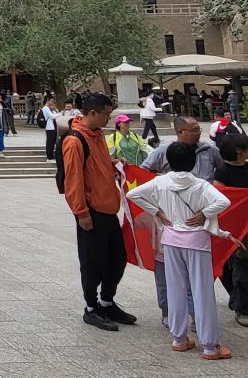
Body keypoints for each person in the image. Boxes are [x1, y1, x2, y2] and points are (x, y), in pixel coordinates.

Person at [128, 142, 241, 359]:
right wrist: (205, 213)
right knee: (202, 291)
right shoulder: (200, 185)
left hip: (171, 240)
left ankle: (179, 338)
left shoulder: (160, 182)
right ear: (193, 162)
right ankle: (209, 345)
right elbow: (223, 201)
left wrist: (156, 211)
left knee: (175, 288)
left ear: (169, 162)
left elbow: (134, 194)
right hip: (196, 241)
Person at [61, 92, 136, 332]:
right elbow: (73, 179)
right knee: (93, 262)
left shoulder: (98, 136)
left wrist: (112, 164)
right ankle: (91, 308)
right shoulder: (75, 141)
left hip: (108, 207)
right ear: (92, 112)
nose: (109, 119)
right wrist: (81, 212)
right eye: (106, 114)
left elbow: (97, 164)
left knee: (117, 259)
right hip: (92, 210)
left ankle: (107, 301)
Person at [214, 133, 248, 326]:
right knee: (242, 267)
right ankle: (242, 308)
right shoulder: (222, 173)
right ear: (238, 151)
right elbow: (222, 201)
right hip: (238, 230)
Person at [142, 117, 223, 182]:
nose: (198, 133)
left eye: (199, 129)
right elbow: (142, 170)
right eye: (194, 130)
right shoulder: (164, 151)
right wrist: (160, 181)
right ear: (180, 132)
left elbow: (224, 168)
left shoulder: (210, 149)